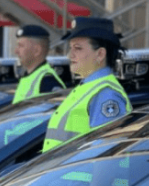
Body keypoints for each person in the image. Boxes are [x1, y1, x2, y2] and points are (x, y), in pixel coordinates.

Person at [42, 17, 131, 152]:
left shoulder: (106, 94)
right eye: (70, 48)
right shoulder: (88, 87)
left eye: (77, 48)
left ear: (100, 54)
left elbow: (104, 154)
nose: (70, 55)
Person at [12, 24, 66, 104]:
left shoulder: (47, 81)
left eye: (21, 46)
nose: (16, 51)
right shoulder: (29, 76)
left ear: (37, 50)